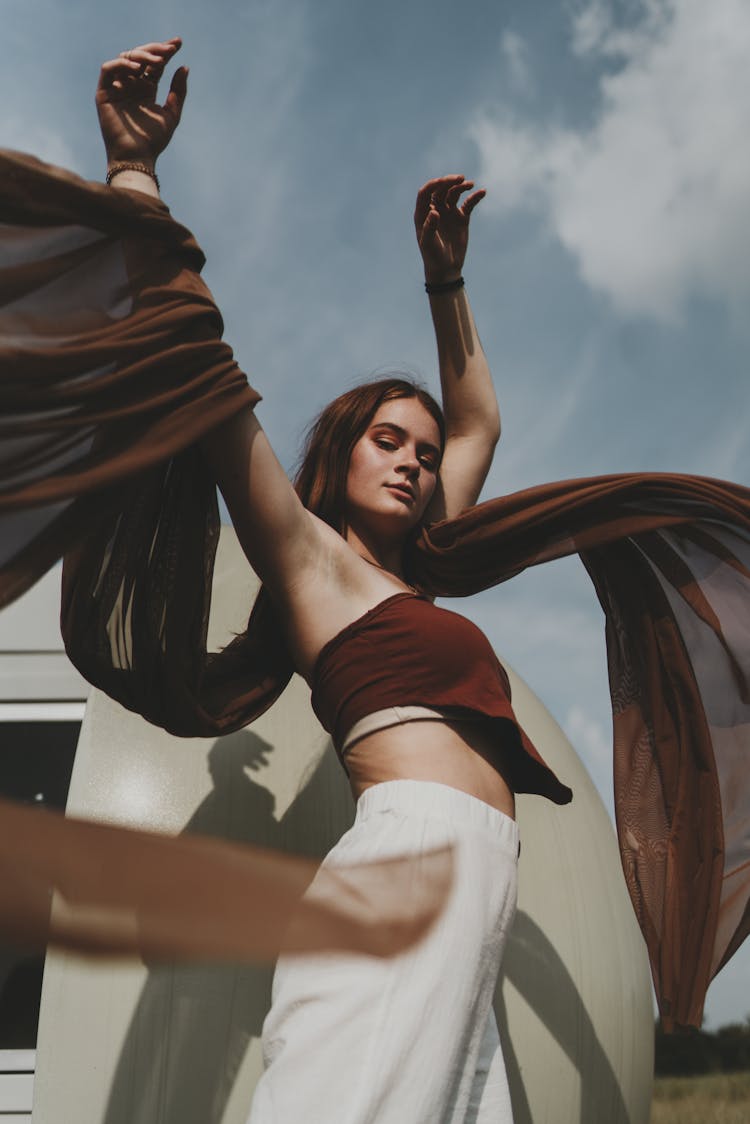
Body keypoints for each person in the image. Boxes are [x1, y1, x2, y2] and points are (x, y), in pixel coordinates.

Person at [94, 37, 575, 1122]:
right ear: (340, 458)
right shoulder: (313, 564)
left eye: (422, 447)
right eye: (388, 440)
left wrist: (445, 278)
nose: (413, 457)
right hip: (410, 864)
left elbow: (482, 416)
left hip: (479, 881)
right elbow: (206, 381)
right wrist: (135, 173)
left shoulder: (422, 574)